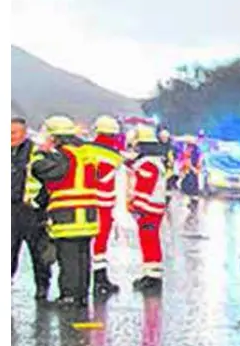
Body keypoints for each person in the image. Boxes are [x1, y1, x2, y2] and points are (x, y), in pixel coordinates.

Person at [34, 116, 119, 306]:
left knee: (69, 257)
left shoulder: (64, 155)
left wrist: (41, 153)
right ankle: (80, 295)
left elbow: (41, 170)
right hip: (88, 213)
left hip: (69, 214)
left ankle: (69, 295)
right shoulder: (85, 153)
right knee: (83, 256)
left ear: (56, 137)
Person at [11, 118, 53, 299]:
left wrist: (40, 202)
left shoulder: (36, 152)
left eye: (14, 133)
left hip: (32, 210)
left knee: (39, 252)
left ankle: (42, 287)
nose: (10, 137)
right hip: (10, 209)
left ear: (24, 133)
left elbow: (47, 181)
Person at [126, 127, 171, 292]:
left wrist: (137, 207)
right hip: (152, 208)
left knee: (149, 241)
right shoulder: (153, 162)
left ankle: (153, 278)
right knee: (148, 240)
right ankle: (150, 273)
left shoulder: (148, 164)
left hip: (149, 209)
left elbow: (144, 188)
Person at [88, 115, 125, 296]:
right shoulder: (115, 155)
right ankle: (100, 279)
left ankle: (80, 279)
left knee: (81, 243)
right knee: (100, 242)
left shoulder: (86, 150)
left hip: (85, 200)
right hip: (104, 204)